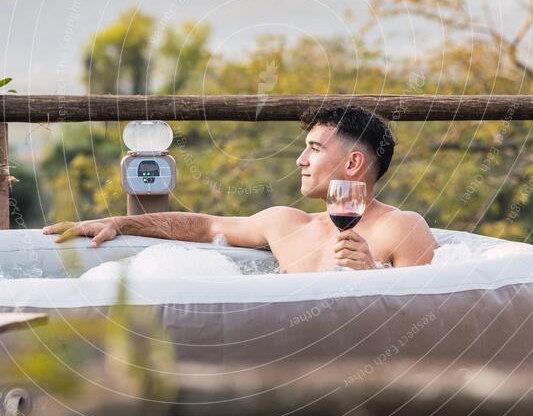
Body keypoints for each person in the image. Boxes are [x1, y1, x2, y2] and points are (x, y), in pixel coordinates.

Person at [42, 106, 438, 273]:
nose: (300, 160)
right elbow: (202, 226)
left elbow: (432, 319)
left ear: (353, 164)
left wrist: (373, 276)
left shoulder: (400, 229)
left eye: (314, 149)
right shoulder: (286, 223)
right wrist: (120, 222)